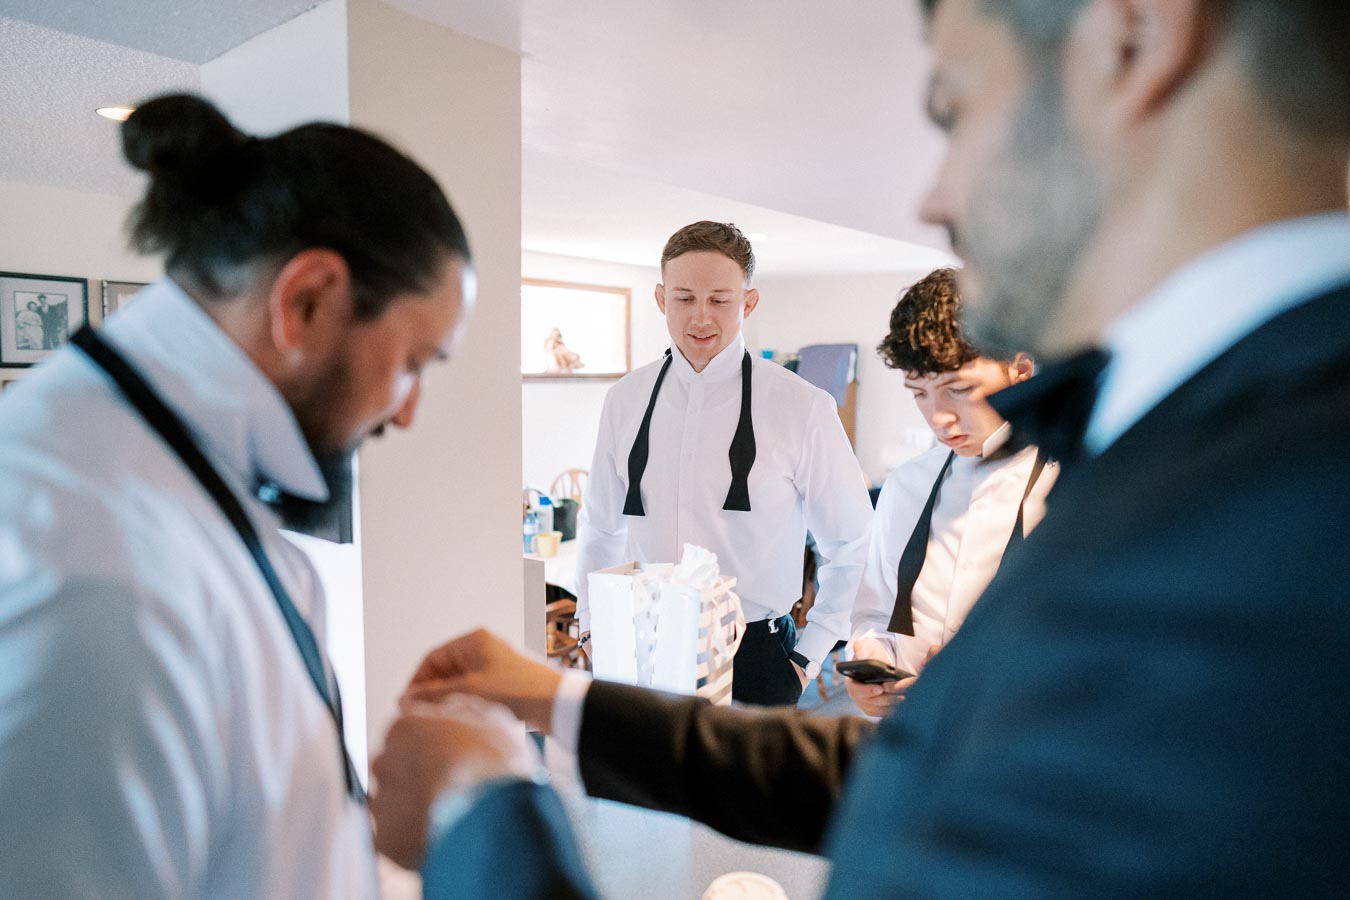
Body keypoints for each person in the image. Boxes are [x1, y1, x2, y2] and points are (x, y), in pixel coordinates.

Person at [371, 0, 1350, 895]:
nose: (937, 195)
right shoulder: (1207, 432)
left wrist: (481, 818)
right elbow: (948, 769)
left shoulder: (1288, 503)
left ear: (1134, 38)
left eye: (954, 106)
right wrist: (561, 699)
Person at [0, 93, 475, 898]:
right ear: (307, 302)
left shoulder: (170, 464)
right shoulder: (97, 578)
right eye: (412, 362)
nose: (407, 409)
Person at [575, 220, 873, 705]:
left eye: (719, 300)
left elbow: (852, 539)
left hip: (755, 655)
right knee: (643, 783)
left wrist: (809, 653)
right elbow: (601, 526)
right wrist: (591, 624)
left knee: (744, 786)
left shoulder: (802, 405)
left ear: (748, 303)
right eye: (684, 298)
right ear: (660, 298)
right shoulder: (624, 400)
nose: (700, 318)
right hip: (642, 645)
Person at [846, 266, 1054, 716]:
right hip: (913, 741)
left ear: (1020, 367)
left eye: (957, 389)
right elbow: (876, 611)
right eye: (919, 393)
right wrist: (872, 659)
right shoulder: (905, 487)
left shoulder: (1074, 486)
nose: (937, 417)